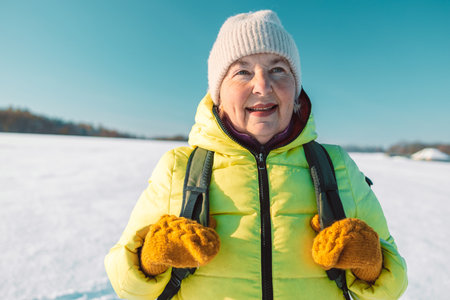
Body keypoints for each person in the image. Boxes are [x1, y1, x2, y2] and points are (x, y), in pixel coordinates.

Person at [105, 10, 407, 299]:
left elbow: (392, 284)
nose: (262, 86)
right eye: (242, 72)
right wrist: (152, 257)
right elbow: (126, 285)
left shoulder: (335, 166)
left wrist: (369, 262)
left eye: (278, 69)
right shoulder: (179, 168)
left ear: (296, 89)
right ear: (218, 94)